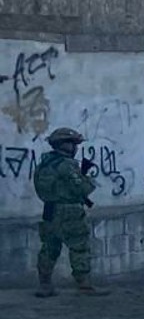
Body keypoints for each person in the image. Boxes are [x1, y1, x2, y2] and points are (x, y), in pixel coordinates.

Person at [34, 127, 101, 298]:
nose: (75, 147)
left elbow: (39, 188)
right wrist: (88, 178)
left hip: (49, 209)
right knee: (79, 247)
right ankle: (84, 285)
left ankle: (45, 284)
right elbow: (83, 188)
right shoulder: (67, 165)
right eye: (73, 144)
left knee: (49, 248)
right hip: (70, 211)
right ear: (65, 145)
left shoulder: (44, 164)